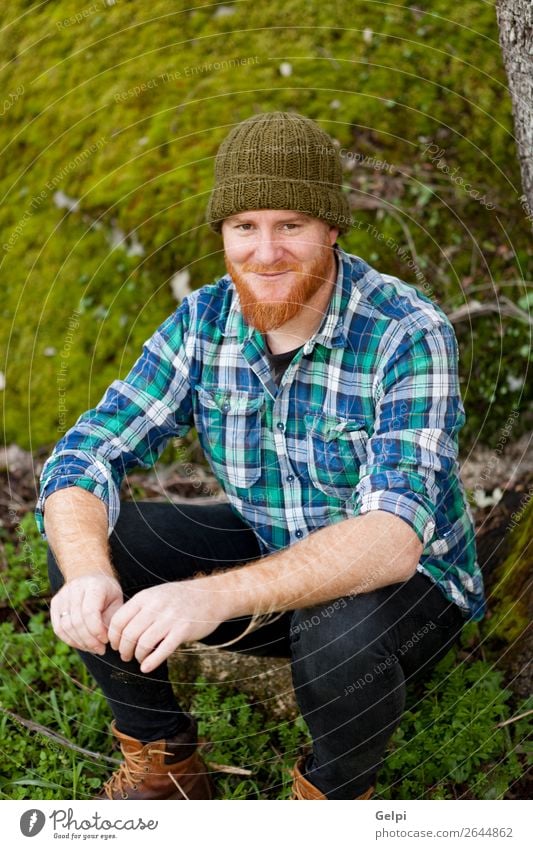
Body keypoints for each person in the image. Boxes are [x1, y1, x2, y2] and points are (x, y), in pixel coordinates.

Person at [35, 111, 485, 801]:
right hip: (274, 545)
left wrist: (210, 595)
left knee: (337, 632)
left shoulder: (405, 331)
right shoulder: (203, 321)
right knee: (92, 537)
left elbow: (393, 536)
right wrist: (89, 573)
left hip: (404, 589)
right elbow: (84, 453)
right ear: (221, 232)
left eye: (290, 225)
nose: (265, 251)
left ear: (331, 228)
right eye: (244, 226)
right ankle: (165, 765)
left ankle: (331, 799)